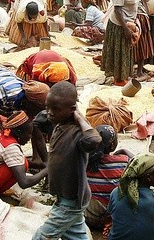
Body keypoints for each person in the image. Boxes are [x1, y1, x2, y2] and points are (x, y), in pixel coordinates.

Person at [32, 82, 102, 240]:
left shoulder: (77, 134)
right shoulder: (58, 123)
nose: (49, 113)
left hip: (71, 200)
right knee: (75, 235)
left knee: (41, 237)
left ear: (72, 110)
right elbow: (38, 120)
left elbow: (94, 139)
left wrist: (79, 117)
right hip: (64, 196)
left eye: (55, 109)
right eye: (47, 107)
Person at [85, 125, 132, 229]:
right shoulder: (123, 161)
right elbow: (140, 164)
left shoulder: (83, 164)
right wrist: (125, 151)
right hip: (115, 218)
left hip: (89, 219)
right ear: (112, 146)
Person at [102, 0, 139, 86]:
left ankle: (123, 76)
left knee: (125, 50)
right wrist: (125, 29)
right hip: (119, 24)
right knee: (119, 51)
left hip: (129, 22)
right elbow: (117, 10)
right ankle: (118, 78)